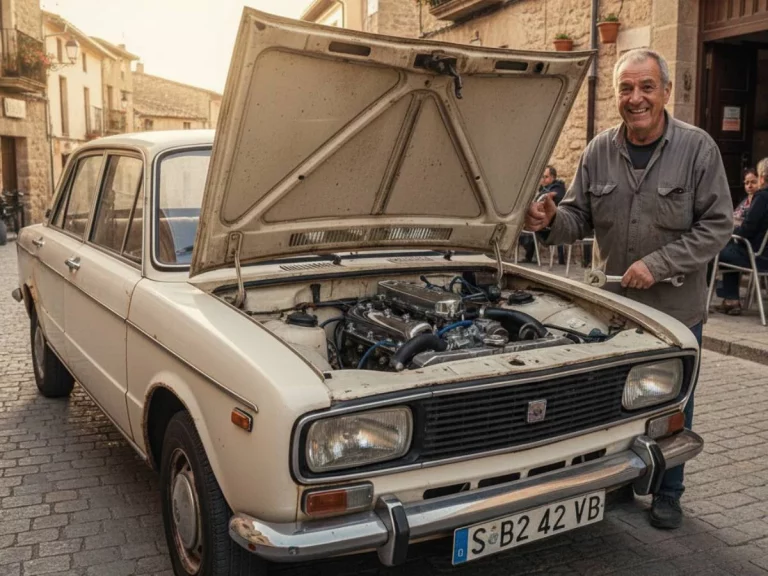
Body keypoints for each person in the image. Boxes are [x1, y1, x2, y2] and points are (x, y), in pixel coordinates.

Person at [525, 48, 733, 530]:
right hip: (612, 306)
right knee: (612, 394)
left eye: (645, 87)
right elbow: (578, 217)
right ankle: (615, 476)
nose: (635, 98)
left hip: (673, 310)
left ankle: (669, 490)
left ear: (664, 92)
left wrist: (657, 264)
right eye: (625, 88)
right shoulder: (599, 149)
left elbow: (717, 226)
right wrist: (551, 220)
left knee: (672, 400)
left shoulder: (698, 149)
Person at [712, 158, 768, 315]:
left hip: (757, 256)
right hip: (761, 254)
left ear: (762, 177)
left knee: (719, 251)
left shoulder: (762, 197)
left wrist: (730, 233)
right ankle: (730, 299)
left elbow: (747, 230)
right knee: (730, 251)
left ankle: (727, 299)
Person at [520, 166, 566, 263]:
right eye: (542, 177)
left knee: (531, 225)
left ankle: (530, 255)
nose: (543, 179)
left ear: (553, 177)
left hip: (553, 222)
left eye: (546, 177)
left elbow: (551, 196)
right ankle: (530, 254)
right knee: (519, 227)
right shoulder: (542, 189)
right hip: (541, 219)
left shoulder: (558, 187)